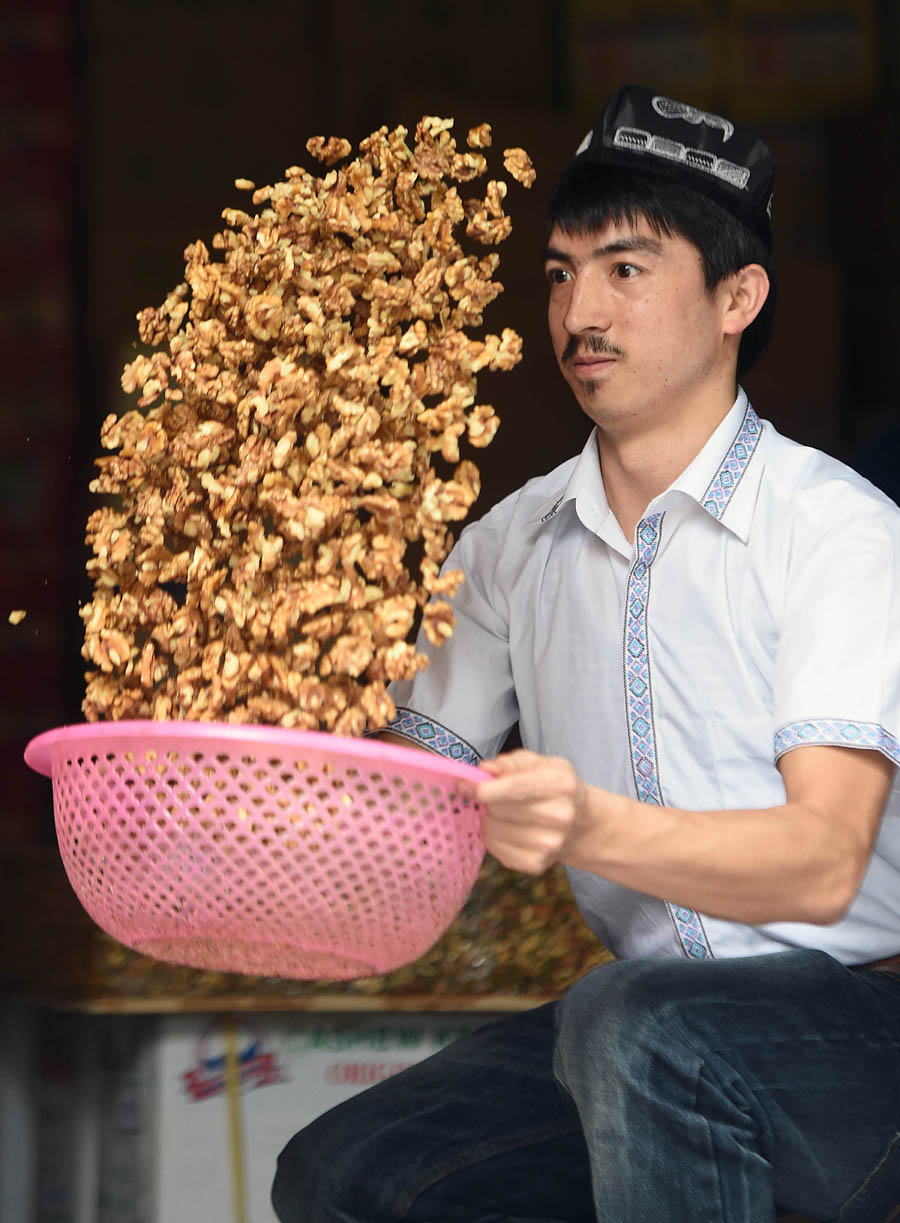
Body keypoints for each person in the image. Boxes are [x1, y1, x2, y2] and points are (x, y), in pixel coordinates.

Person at [271, 85, 900, 1222]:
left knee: (636, 1021)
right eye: (559, 272)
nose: (578, 311)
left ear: (736, 298)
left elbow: (822, 862)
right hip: (647, 1040)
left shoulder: (839, 532)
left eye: (625, 268)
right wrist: (285, 737)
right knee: (347, 1168)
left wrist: (585, 823)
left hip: (862, 1035)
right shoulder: (512, 543)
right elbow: (418, 800)